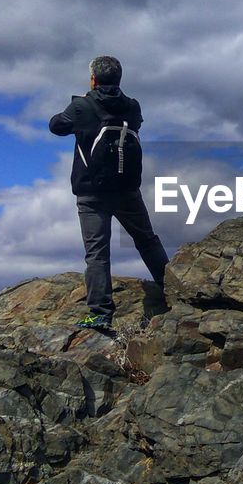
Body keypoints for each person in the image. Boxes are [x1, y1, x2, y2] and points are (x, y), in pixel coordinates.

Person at [49, 55, 168, 331]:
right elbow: (135, 124)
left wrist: (82, 101)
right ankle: (171, 288)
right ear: (120, 79)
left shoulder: (81, 106)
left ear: (93, 79)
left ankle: (101, 313)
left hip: (91, 192)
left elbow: (56, 126)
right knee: (147, 240)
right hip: (127, 189)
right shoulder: (132, 106)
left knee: (97, 252)